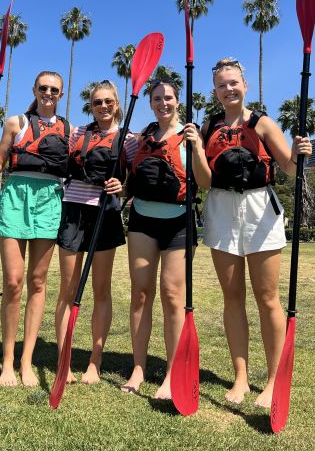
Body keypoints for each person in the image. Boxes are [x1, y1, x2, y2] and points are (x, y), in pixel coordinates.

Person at [195, 58, 312, 409]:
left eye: (234, 83)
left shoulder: (261, 122)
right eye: (221, 85)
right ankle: (241, 377)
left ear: (245, 86)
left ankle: (274, 380)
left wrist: (299, 153)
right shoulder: (209, 126)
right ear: (214, 91)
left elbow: (289, 168)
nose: (228, 89)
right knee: (232, 296)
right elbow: (203, 180)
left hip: (260, 208)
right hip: (219, 207)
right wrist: (193, 150)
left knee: (267, 297)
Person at [0, 70, 69, 388]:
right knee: (14, 282)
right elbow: (1, 163)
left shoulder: (68, 129)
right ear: (34, 89)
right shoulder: (16, 122)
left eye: (54, 89)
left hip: (49, 201)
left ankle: (27, 361)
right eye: (43, 88)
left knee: (38, 281)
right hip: (15, 198)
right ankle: (7, 362)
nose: (48, 93)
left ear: (61, 94)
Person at [121, 79, 203, 399]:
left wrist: (197, 148)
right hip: (142, 220)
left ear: (177, 101)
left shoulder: (191, 135)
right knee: (141, 293)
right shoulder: (141, 138)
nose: (163, 102)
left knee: (172, 295)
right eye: (157, 98)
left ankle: (172, 372)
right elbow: (128, 177)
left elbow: (205, 180)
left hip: (179, 222)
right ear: (151, 102)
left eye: (168, 97)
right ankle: (139, 368)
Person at [55, 80, 137, 385]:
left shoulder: (128, 139)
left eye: (108, 102)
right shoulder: (78, 134)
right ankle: (64, 358)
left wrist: (124, 186)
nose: (103, 106)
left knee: (101, 290)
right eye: (97, 102)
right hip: (73, 212)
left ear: (117, 104)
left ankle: (94, 362)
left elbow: (138, 177)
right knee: (68, 288)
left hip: (106, 213)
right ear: (91, 105)